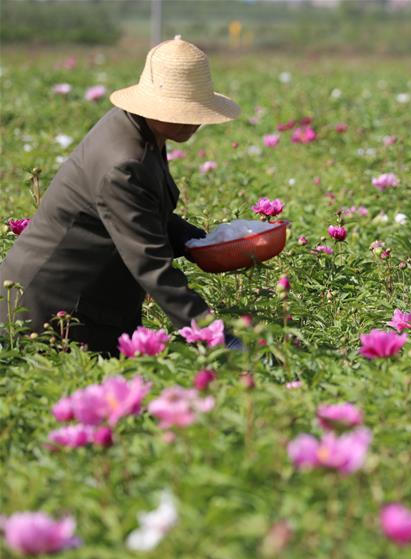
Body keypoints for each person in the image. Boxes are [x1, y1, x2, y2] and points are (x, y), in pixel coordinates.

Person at [0, 36, 240, 353]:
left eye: (196, 110)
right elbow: (152, 266)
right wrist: (219, 337)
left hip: (80, 302)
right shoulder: (123, 163)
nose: (192, 122)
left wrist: (201, 243)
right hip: (52, 311)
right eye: (182, 111)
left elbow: (144, 212)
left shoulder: (138, 127)